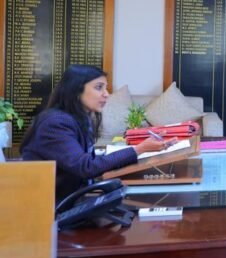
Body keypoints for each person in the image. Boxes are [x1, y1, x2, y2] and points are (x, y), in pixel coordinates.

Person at [20, 64, 168, 202]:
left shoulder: (79, 118)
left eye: (106, 88)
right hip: (48, 207)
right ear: (76, 90)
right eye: (99, 87)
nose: (106, 94)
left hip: (72, 198)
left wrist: (139, 150)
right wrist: (139, 149)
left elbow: (87, 160)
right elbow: (86, 167)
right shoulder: (55, 123)